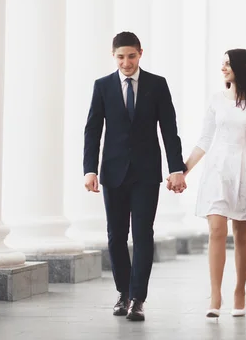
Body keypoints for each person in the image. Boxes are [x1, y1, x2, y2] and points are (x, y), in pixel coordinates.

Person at [83, 31, 187, 321]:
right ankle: (123, 294)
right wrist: (89, 169)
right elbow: (93, 129)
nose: (126, 62)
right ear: (113, 56)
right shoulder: (102, 86)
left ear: (141, 53)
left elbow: (169, 129)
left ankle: (138, 299)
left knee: (143, 235)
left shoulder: (157, 85)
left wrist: (175, 168)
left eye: (131, 56)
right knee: (116, 236)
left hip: (145, 173)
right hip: (112, 173)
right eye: (120, 57)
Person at [177, 48, 246, 318]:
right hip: (217, 171)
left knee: (242, 234)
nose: (223, 68)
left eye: (228, 64)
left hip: (245, 170)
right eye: (222, 63)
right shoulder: (217, 100)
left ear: (242, 67)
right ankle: (215, 295)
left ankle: (239, 290)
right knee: (216, 230)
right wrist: (183, 171)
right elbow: (204, 140)